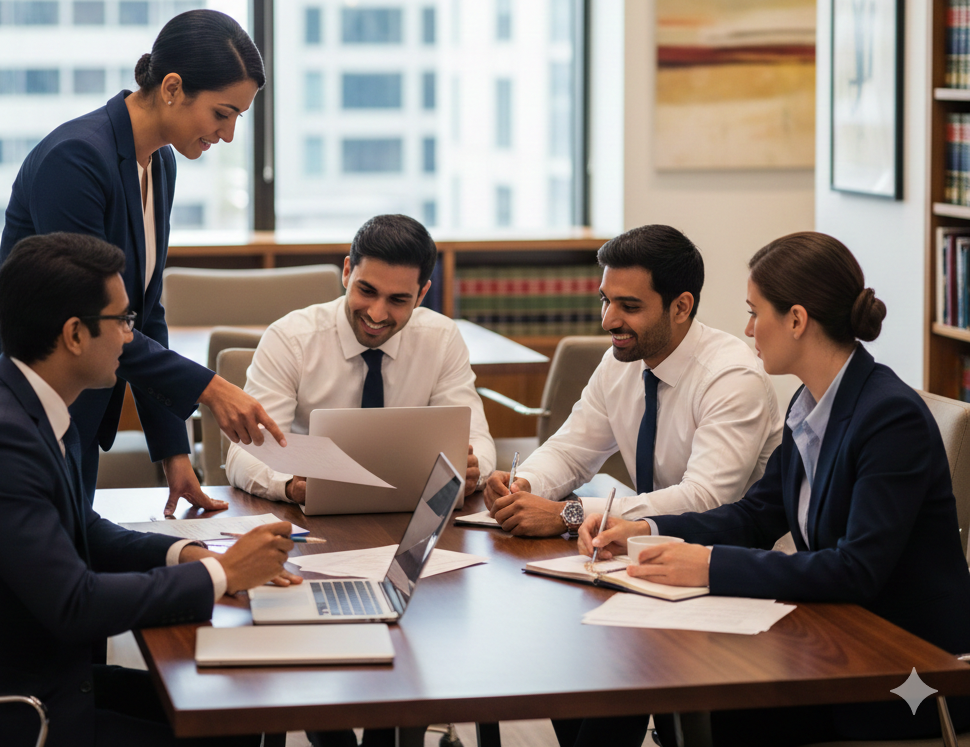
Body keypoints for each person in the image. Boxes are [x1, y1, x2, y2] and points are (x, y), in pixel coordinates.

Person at [580, 232, 970, 747]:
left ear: (796, 319)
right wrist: (646, 529)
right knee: (658, 684)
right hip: (840, 642)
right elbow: (755, 518)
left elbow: (856, 569)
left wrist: (710, 565)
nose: (747, 328)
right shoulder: (808, 406)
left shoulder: (888, 417)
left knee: (709, 706)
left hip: (908, 675)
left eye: (754, 311)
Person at [0, 232, 304, 747]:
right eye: (122, 322)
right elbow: (75, 604)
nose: (130, 339)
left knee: (236, 713)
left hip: (47, 679)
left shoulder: (25, 402)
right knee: (230, 722)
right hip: (17, 712)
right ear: (74, 334)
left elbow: (84, 530)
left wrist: (188, 553)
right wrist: (222, 573)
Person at [0, 8, 287, 515]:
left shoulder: (161, 163)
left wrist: (173, 451)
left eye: (237, 117)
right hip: (8, 415)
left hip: (68, 411)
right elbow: (93, 319)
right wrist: (211, 389)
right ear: (171, 88)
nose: (229, 134)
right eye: (222, 113)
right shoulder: (76, 160)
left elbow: (144, 314)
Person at [483, 224, 781, 538]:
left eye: (629, 306)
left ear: (681, 307)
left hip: (729, 560)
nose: (608, 320)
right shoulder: (619, 362)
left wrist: (570, 514)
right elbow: (571, 451)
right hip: (646, 550)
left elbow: (704, 500)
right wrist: (523, 484)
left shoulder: (731, 377)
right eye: (605, 300)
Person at [226, 213, 496, 506]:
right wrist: (290, 485)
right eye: (366, 291)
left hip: (410, 511)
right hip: (310, 517)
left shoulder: (441, 339)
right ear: (347, 272)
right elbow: (246, 453)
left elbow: (477, 441)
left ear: (421, 295)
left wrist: (475, 471)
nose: (377, 314)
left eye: (398, 300)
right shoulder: (290, 339)